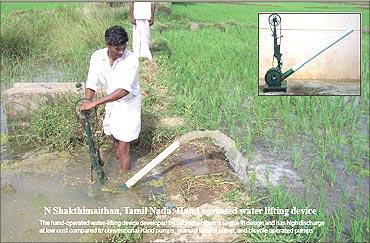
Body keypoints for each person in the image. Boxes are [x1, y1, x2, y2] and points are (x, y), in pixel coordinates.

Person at [80, 25, 141, 172]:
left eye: (123, 47)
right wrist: (88, 102)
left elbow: (124, 90)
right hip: (112, 104)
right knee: (114, 139)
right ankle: (119, 169)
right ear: (108, 45)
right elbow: (91, 82)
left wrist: (95, 103)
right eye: (117, 49)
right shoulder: (97, 57)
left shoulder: (131, 60)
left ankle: (124, 179)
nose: (121, 52)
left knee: (123, 147)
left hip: (128, 104)